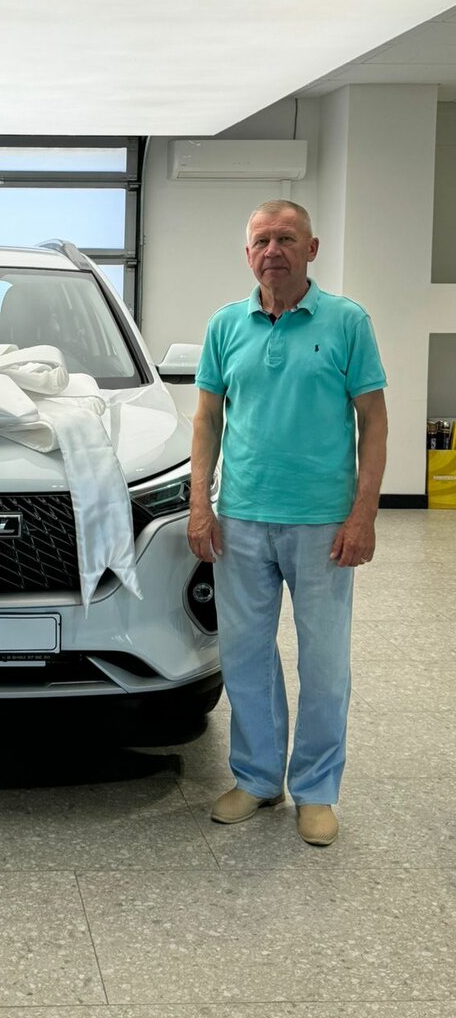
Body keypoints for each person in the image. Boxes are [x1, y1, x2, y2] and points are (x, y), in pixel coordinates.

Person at [188, 200, 387, 846]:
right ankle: (256, 778)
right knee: (245, 656)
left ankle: (317, 790)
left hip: (323, 524)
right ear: (248, 253)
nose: (272, 250)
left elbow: (374, 421)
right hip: (241, 518)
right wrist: (200, 503)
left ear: (312, 248)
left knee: (324, 664)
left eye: (286, 238)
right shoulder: (226, 325)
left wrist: (363, 513)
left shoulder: (347, 321)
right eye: (261, 240)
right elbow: (206, 419)